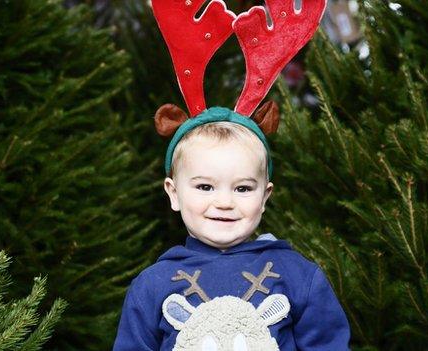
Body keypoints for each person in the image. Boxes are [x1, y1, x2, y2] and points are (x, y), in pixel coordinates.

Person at [112, 106, 350, 350]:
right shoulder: (151, 284)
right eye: (205, 187)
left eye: (243, 189)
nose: (224, 203)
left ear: (264, 197)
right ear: (174, 193)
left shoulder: (299, 276)